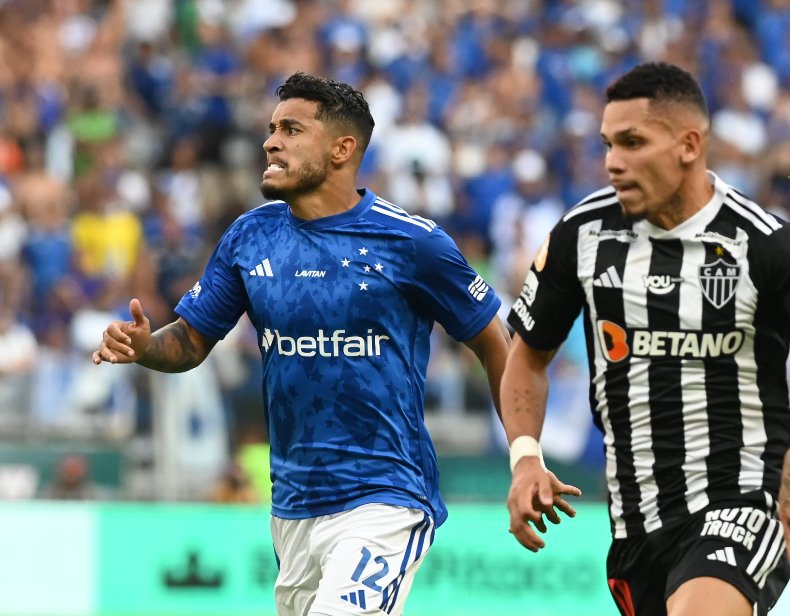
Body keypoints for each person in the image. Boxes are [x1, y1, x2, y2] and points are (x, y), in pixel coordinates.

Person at [92, 72, 512, 616]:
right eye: (272, 129)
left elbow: (495, 343)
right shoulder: (250, 236)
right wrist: (147, 346)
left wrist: (523, 454)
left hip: (384, 495)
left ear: (343, 148)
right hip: (293, 506)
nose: (271, 141)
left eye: (291, 129)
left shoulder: (412, 243)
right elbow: (192, 341)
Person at [500, 62, 790, 616]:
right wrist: (525, 457)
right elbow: (528, 357)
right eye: (607, 144)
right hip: (634, 527)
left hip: (743, 504)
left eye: (632, 142)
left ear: (689, 145)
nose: (613, 162)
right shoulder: (583, 235)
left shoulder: (761, 243)